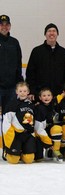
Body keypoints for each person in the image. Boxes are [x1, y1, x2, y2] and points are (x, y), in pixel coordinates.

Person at [25, 23, 65, 101]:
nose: (51, 33)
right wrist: (31, 91)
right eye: (49, 31)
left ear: (57, 34)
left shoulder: (63, 52)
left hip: (59, 95)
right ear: (45, 34)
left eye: (54, 31)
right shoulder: (37, 51)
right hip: (40, 95)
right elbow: (30, 73)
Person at [0, 15, 23, 149]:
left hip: (11, 88)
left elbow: (18, 64)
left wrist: (19, 83)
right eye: (1, 24)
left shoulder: (15, 42)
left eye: (6, 24)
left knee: (8, 119)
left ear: (10, 26)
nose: (4, 27)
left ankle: (8, 148)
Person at [2, 82, 35, 164]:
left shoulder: (31, 105)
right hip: (16, 135)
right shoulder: (12, 104)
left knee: (29, 160)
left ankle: (22, 151)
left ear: (28, 92)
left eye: (24, 91)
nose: (22, 93)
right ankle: (9, 152)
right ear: (16, 92)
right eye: (20, 91)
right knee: (13, 160)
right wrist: (9, 138)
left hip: (27, 134)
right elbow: (6, 121)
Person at [34, 88, 56, 161]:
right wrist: (49, 143)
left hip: (50, 130)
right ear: (40, 98)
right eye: (44, 96)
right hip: (39, 133)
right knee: (38, 158)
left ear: (52, 96)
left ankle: (51, 150)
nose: (46, 97)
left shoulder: (54, 105)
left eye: (48, 95)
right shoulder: (39, 108)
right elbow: (39, 128)